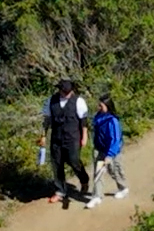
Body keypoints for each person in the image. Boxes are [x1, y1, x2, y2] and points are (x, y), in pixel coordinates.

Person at [44, 81, 93, 210]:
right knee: (57, 164)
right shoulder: (51, 101)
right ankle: (60, 191)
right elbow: (47, 119)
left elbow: (83, 120)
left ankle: (84, 179)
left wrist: (85, 136)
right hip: (57, 138)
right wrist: (43, 135)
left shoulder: (79, 101)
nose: (66, 94)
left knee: (74, 161)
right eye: (63, 91)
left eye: (68, 92)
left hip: (73, 137)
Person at [90, 94, 127, 204]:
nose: (99, 108)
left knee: (114, 170)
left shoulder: (113, 121)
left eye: (101, 106)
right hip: (99, 149)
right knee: (98, 172)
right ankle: (97, 196)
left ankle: (123, 188)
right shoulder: (98, 116)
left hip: (111, 151)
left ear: (108, 106)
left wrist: (110, 154)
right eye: (99, 105)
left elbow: (115, 139)